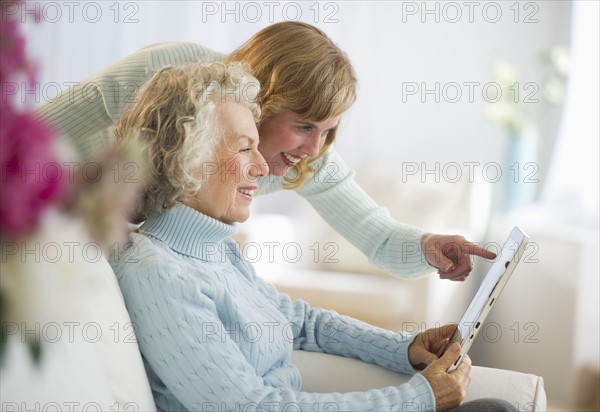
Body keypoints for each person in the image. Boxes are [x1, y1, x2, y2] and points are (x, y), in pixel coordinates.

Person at [110, 61, 517, 411]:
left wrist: (406, 348)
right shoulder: (158, 273)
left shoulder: (214, 251)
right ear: (188, 159)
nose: (261, 167)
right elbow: (254, 408)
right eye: (242, 149)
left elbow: (303, 324)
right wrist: (417, 399)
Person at [35, 21, 496, 284]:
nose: (314, 149)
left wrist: (429, 247)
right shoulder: (166, 74)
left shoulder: (305, 158)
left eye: (329, 131)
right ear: (261, 101)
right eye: (304, 126)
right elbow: (35, 136)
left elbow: (376, 234)